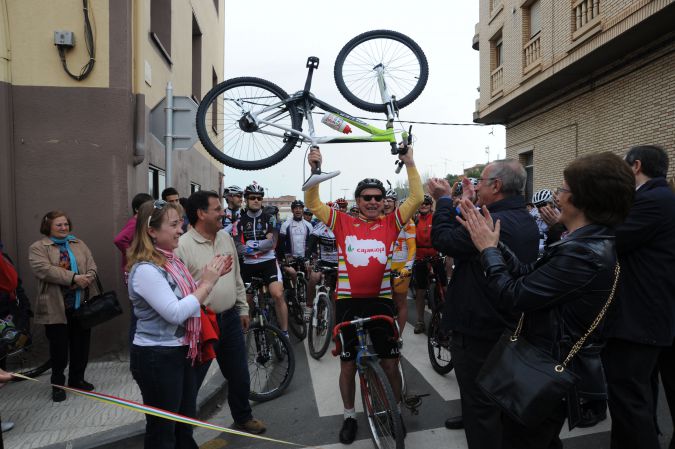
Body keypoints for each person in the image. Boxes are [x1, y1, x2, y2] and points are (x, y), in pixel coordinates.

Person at [455, 151, 635, 449]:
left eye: (562, 190)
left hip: (544, 368)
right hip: (544, 364)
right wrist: (496, 243)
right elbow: (528, 276)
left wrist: (488, 251)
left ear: (583, 199)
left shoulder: (583, 253)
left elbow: (513, 295)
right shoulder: (581, 242)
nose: (556, 197)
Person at [305, 144, 423, 445]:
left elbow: (417, 198)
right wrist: (315, 171)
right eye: (366, 197)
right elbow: (313, 203)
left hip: (381, 300)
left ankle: (395, 411)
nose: (372, 201)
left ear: (383, 201)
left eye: (377, 197)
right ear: (357, 201)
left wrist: (409, 162)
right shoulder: (343, 221)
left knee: (390, 363)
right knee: (347, 364)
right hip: (347, 302)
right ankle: (348, 416)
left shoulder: (391, 222)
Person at [427, 159, 539, 446]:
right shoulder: (524, 217)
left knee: (481, 411)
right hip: (507, 323)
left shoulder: (491, 222)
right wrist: (465, 202)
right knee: (497, 399)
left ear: (497, 186)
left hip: (479, 329)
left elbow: (443, 239)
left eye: (482, 182)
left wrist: (442, 201)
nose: (476, 186)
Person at [127, 199, 231, 449]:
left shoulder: (170, 261)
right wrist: (206, 283)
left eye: (180, 224)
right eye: (173, 225)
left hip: (178, 350)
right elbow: (175, 312)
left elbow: (184, 300)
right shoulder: (145, 270)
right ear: (151, 231)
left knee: (184, 423)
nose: (180, 230)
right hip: (157, 357)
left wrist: (211, 278)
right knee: (163, 432)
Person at [601, 144, 675, 449]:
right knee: (639, 397)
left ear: (635, 166)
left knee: (631, 403)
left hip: (639, 317)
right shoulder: (659, 197)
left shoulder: (652, 200)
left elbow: (611, 239)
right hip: (654, 314)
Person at [175, 190, 266, 435]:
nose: (223, 213)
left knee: (239, 374)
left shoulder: (225, 238)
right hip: (202, 324)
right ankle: (183, 431)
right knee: (192, 381)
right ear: (201, 213)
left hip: (231, 319)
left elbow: (236, 275)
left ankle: (243, 417)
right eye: (217, 209)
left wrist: (242, 307)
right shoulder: (182, 246)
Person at [28, 211, 99, 402]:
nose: (64, 228)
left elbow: (92, 265)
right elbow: (44, 270)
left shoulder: (78, 243)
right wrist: (73, 278)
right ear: (48, 227)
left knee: (81, 346)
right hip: (55, 306)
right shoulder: (38, 247)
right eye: (59, 225)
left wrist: (87, 278)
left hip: (80, 304)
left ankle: (77, 379)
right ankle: (58, 385)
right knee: (59, 350)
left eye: (66, 224)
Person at [234, 183, 288, 336]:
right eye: (252, 198)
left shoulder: (270, 218)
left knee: (277, 294)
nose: (256, 200)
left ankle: (284, 332)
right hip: (249, 264)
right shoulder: (239, 221)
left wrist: (251, 245)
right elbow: (238, 246)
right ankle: (246, 333)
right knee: (246, 301)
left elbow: (273, 243)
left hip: (268, 262)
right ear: (246, 200)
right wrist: (260, 245)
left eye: (259, 198)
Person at [412, 194, 446, 334]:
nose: (424, 205)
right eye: (422, 203)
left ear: (431, 205)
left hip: (436, 255)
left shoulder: (436, 218)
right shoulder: (415, 220)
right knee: (420, 291)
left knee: (444, 287)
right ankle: (420, 321)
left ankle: (448, 317)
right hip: (420, 258)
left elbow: (443, 233)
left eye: (426, 203)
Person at [383, 189, 416, 333]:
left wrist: (408, 267)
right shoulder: (378, 219)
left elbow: (412, 247)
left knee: (400, 302)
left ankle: (399, 335)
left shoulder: (406, 220)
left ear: (396, 203)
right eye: (384, 200)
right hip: (383, 267)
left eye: (389, 200)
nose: (386, 203)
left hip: (401, 267)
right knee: (383, 302)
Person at [305, 203, 339, 319]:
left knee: (336, 295)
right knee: (313, 278)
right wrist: (307, 257)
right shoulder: (319, 227)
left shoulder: (343, 227)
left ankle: (335, 323)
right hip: (323, 262)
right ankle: (309, 306)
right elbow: (310, 244)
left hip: (339, 264)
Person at [114, 193, 153, 281]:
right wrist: (131, 254)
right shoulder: (135, 223)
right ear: (137, 209)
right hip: (133, 268)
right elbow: (119, 239)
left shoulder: (141, 222)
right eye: (147, 208)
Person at [279, 200, 313, 293]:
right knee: (292, 279)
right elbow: (281, 243)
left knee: (308, 278)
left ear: (303, 210)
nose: (298, 210)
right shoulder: (285, 225)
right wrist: (284, 257)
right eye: (295, 208)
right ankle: (293, 293)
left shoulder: (308, 225)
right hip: (290, 258)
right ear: (292, 210)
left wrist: (310, 257)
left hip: (304, 257)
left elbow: (311, 243)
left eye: (300, 208)